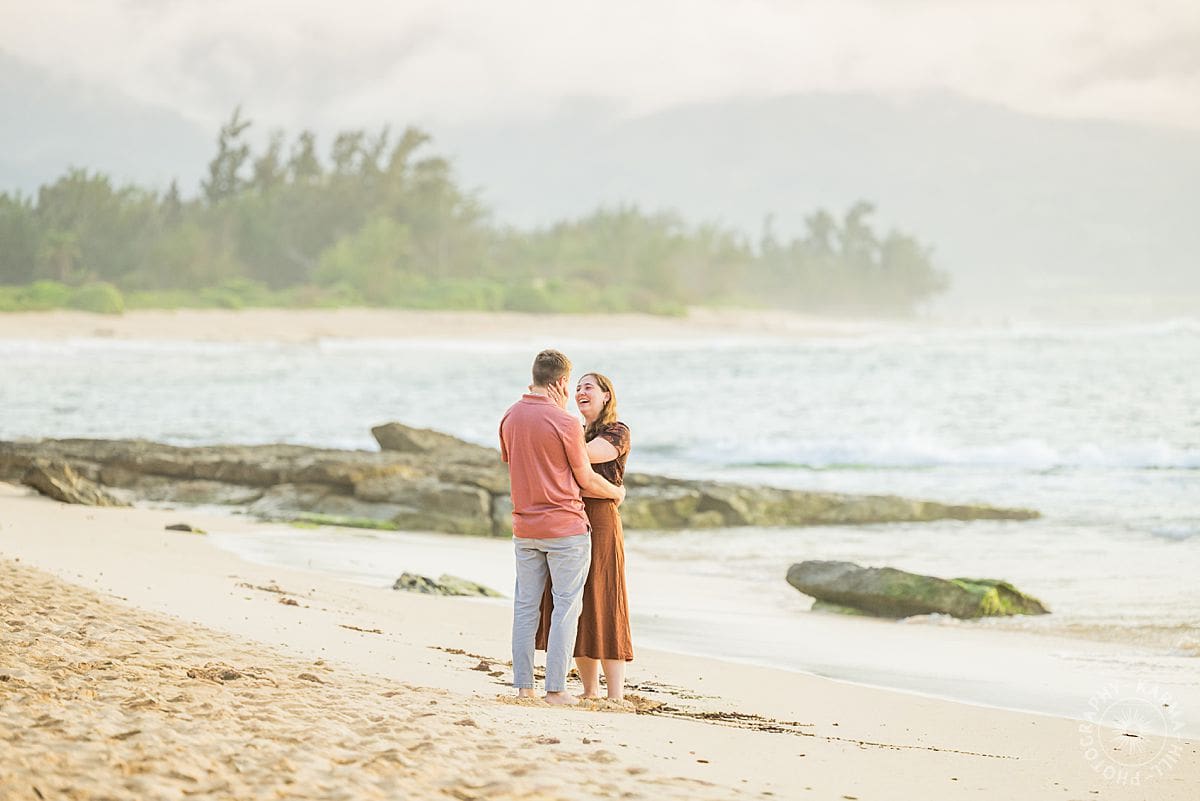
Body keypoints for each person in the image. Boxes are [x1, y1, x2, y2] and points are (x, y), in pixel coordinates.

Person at [499, 349, 626, 705]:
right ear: (560, 382)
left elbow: (516, 462)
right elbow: (583, 477)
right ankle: (555, 689)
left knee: (525, 607)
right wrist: (617, 491)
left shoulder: (510, 416)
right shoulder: (567, 423)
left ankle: (523, 687)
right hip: (565, 528)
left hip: (524, 527)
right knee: (566, 607)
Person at [535, 371, 634, 700]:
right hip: (571, 519)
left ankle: (616, 694)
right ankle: (590, 690)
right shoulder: (573, 430)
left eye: (588, 387)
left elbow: (589, 456)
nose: (580, 391)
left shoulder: (617, 432)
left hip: (602, 520)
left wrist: (560, 429)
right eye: (576, 387)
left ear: (606, 395)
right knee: (574, 600)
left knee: (604, 597)